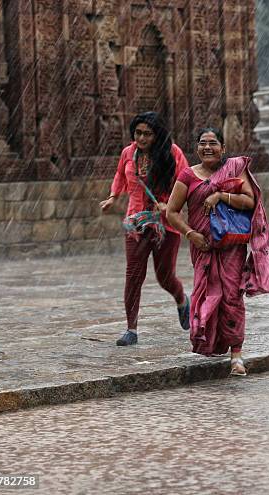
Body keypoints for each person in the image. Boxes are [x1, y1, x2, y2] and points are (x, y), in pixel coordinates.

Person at [166, 127, 269, 376]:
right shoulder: (188, 176)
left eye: (213, 143)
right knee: (206, 295)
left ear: (223, 148)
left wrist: (221, 195)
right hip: (202, 248)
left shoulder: (235, 170)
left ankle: (236, 355)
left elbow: (250, 201)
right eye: (203, 143)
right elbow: (171, 212)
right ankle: (212, 343)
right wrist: (191, 234)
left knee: (231, 297)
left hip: (231, 247)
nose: (208, 148)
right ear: (197, 148)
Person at [100, 112, 191, 346]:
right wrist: (112, 197)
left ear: (157, 135)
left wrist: (170, 203)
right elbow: (120, 175)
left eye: (147, 134)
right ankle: (131, 329)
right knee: (133, 275)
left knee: (164, 276)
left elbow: (187, 182)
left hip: (165, 224)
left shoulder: (173, 153)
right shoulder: (128, 153)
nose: (141, 138)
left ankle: (182, 300)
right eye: (137, 133)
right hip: (136, 223)